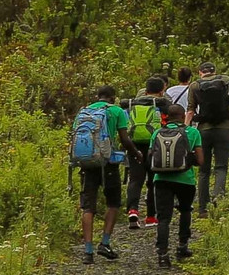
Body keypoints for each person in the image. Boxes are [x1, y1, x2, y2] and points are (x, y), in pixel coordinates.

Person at [69, 84, 128, 264]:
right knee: (113, 203)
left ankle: (88, 251)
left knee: (88, 207)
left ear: (98, 96)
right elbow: (124, 138)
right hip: (108, 164)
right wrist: (134, 154)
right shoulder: (117, 111)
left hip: (86, 164)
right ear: (113, 97)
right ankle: (105, 243)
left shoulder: (83, 112)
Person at [146, 99, 199, 264]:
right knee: (185, 210)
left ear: (167, 117)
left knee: (163, 218)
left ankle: (162, 254)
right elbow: (201, 160)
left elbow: (150, 157)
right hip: (185, 179)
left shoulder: (157, 133)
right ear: (183, 116)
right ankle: (182, 246)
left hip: (161, 179)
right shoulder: (192, 132)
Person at [189, 62, 229, 214]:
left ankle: (202, 209)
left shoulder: (194, 85)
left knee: (203, 170)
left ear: (200, 72)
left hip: (203, 131)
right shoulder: (226, 80)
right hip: (224, 128)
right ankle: (218, 198)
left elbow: (190, 111)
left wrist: (185, 131)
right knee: (221, 167)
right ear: (215, 71)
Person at [123, 75, 165, 228]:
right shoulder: (161, 104)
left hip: (135, 146)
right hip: (156, 146)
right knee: (153, 181)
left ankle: (133, 210)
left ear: (145, 90)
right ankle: (151, 217)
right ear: (162, 90)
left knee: (135, 180)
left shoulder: (131, 104)